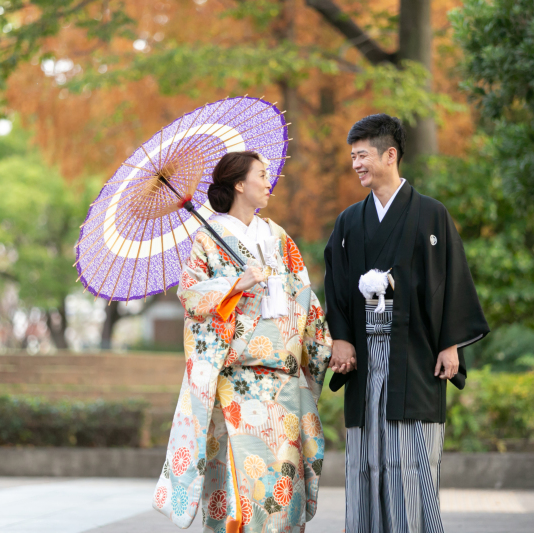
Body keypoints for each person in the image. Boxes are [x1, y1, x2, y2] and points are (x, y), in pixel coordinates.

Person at [324, 115, 490, 533]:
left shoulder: (432, 215)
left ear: (390, 155)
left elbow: (452, 281)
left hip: (415, 356)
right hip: (364, 355)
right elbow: (337, 285)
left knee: (411, 460)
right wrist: (340, 339)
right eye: (353, 156)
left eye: (362, 155)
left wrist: (451, 344)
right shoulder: (348, 222)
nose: (356, 164)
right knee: (367, 461)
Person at [153, 151, 332, 533]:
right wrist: (235, 284)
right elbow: (190, 296)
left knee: (285, 492)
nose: (269, 182)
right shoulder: (208, 239)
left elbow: (306, 298)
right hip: (238, 386)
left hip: (284, 386)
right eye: (262, 175)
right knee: (241, 495)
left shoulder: (279, 237)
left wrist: (323, 347)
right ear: (239, 184)